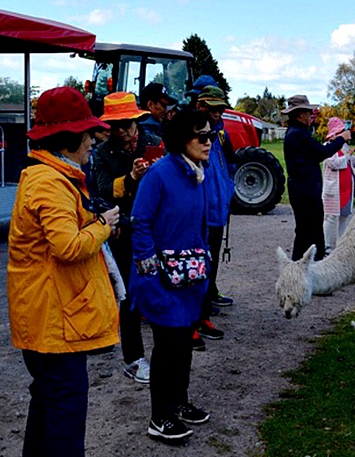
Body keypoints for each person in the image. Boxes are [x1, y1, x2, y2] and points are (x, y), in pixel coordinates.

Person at [7, 86, 121, 456]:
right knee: (65, 407)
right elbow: (68, 247)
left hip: (51, 319)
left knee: (49, 401)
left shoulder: (52, 176)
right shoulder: (49, 182)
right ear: (69, 137)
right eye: (88, 133)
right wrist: (103, 225)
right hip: (53, 322)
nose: (92, 141)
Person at [130, 106, 215, 442]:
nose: (209, 142)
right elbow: (140, 223)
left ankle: (179, 402)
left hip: (189, 280)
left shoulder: (197, 173)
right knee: (167, 347)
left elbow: (198, 225)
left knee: (183, 344)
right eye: (201, 136)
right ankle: (160, 417)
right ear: (181, 139)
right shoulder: (159, 175)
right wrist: (149, 273)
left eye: (210, 135)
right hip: (162, 282)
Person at [91, 92, 163, 384]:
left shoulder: (155, 141)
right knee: (128, 296)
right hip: (124, 229)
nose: (120, 130)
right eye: (114, 125)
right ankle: (134, 359)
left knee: (159, 288)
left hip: (156, 226)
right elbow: (103, 189)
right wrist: (132, 178)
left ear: (136, 121)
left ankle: (165, 354)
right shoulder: (103, 152)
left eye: (126, 123)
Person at [192, 85, 236, 348]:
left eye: (220, 109)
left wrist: (229, 188)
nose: (217, 113)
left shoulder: (219, 136)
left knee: (211, 266)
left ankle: (204, 314)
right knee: (196, 268)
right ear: (201, 106)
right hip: (200, 214)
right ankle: (192, 322)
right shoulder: (194, 136)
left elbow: (229, 165)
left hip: (218, 211)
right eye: (213, 108)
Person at [282, 95, 349, 261]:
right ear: (299, 114)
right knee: (310, 230)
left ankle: (304, 264)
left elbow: (315, 151)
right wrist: (341, 139)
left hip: (302, 188)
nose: (311, 114)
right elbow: (321, 153)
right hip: (306, 190)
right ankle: (307, 264)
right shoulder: (299, 134)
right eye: (308, 112)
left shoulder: (295, 132)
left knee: (308, 230)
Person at [321, 117, 355, 252]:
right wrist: (347, 156)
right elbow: (334, 164)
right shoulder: (327, 147)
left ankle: (340, 245)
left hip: (346, 188)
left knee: (344, 216)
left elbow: (354, 163)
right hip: (334, 189)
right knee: (331, 217)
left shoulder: (344, 146)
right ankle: (327, 246)